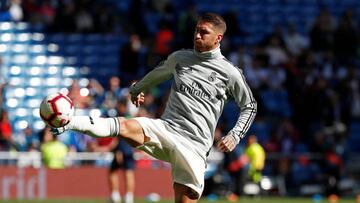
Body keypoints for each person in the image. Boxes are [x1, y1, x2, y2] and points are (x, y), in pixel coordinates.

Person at [53, 13, 257, 202]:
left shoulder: (230, 73)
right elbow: (158, 73)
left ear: (218, 38)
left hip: (195, 146)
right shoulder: (180, 58)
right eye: (196, 30)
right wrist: (138, 89)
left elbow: (250, 106)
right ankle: (68, 122)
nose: (197, 35)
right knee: (124, 126)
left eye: (204, 32)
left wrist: (235, 135)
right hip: (166, 129)